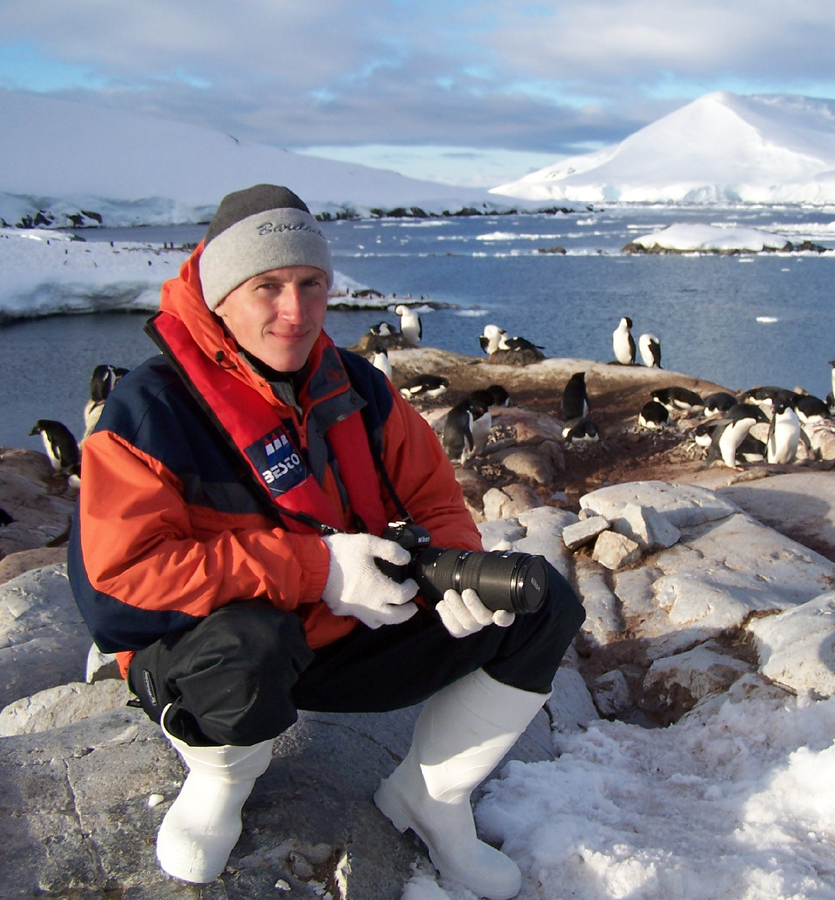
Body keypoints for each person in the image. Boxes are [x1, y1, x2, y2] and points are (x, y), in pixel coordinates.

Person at [69, 184, 584, 899]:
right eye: (267, 287)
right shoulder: (149, 413)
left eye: (311, 283)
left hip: (349, 626)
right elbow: (125, 572)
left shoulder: (358, 387)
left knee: (540, 600)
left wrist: (462, 570)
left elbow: (432, 492)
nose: (296, 310)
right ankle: (221, 780)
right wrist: (316, 570)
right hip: (215, 649)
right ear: (220, 295)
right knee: (249, 645)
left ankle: (431, 798)